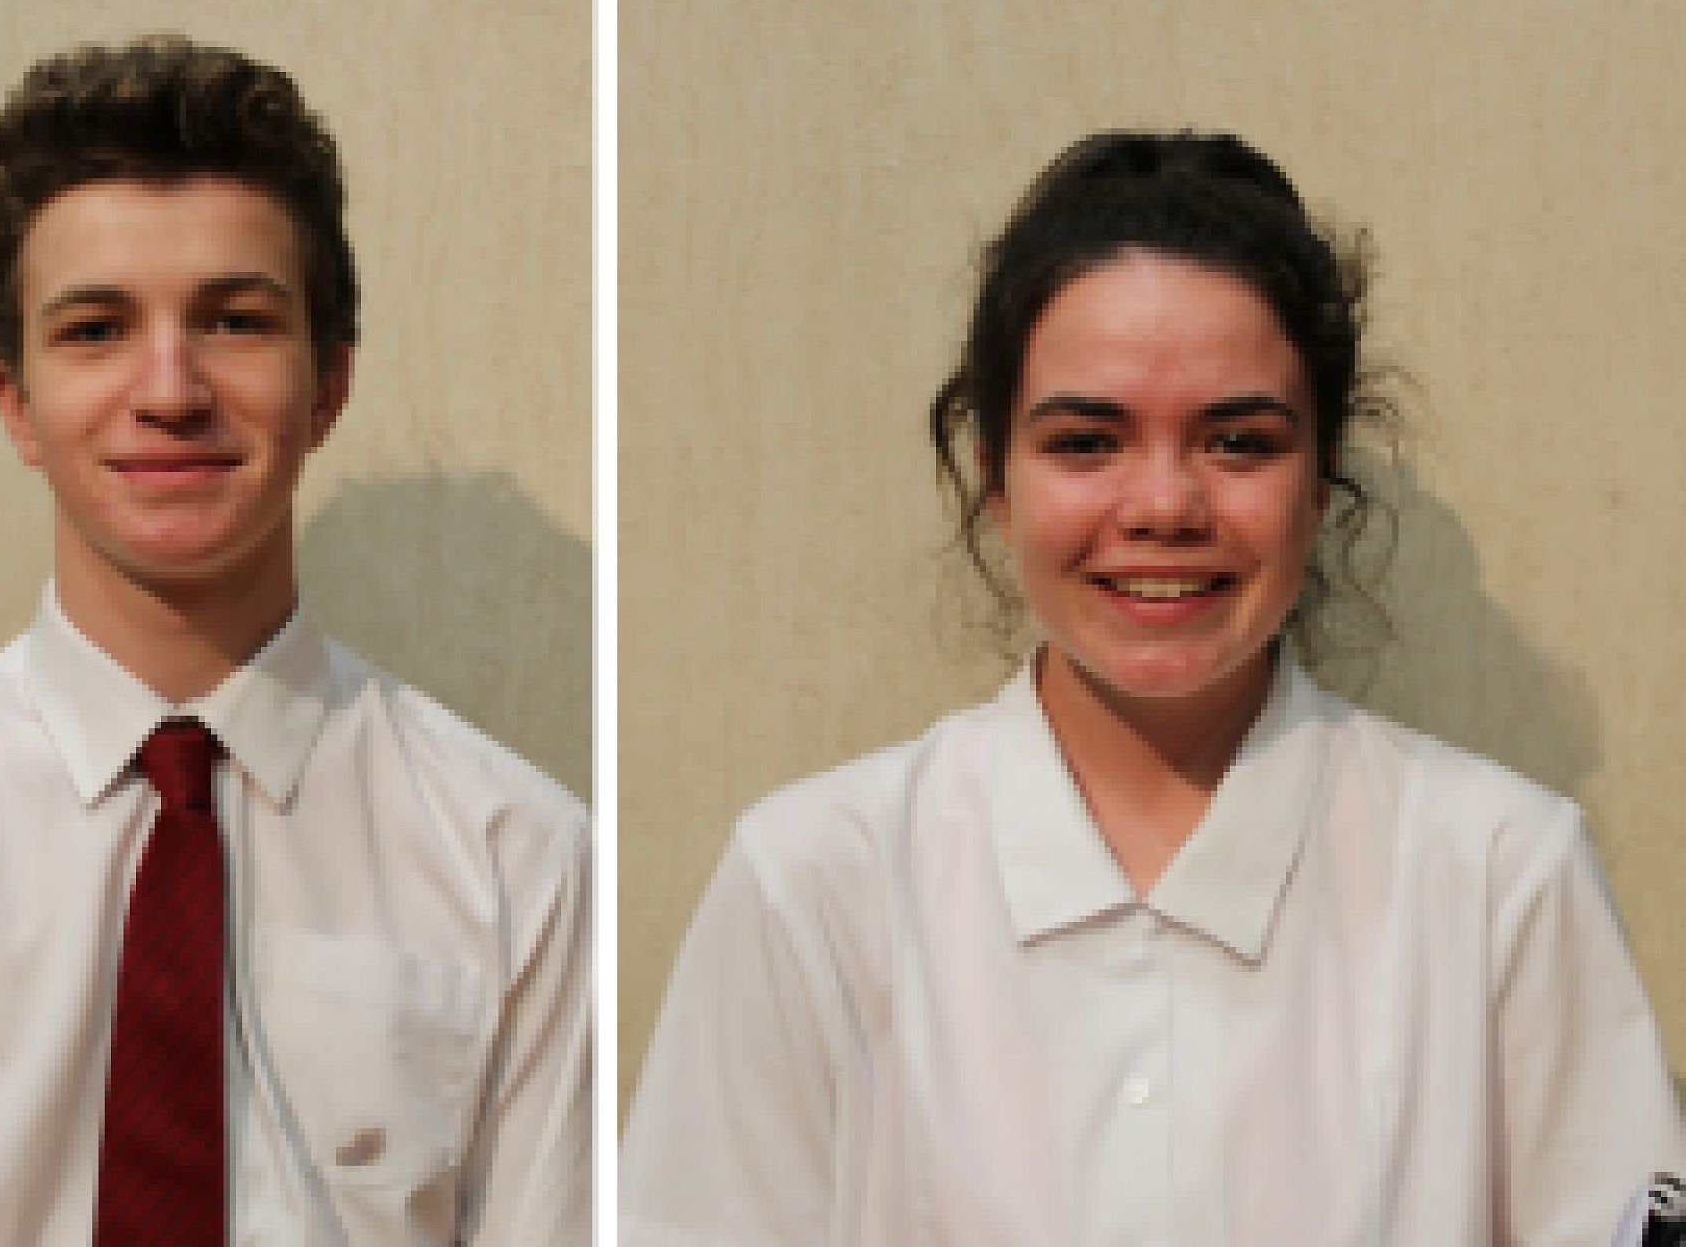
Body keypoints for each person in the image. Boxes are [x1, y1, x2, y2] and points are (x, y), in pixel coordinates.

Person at [620, 130, 1684, 1245]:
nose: (1164, 505)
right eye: (1087, 442)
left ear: (1320, 483)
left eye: (1238, 442)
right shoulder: (815, 885)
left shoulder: (1501, 876)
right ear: (995, 482)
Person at [0, 36, 589, 1246]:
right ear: (15, 401)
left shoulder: (517, 860)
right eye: (94, 328)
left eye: (234, 320)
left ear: (328, 384)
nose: (170, 389)